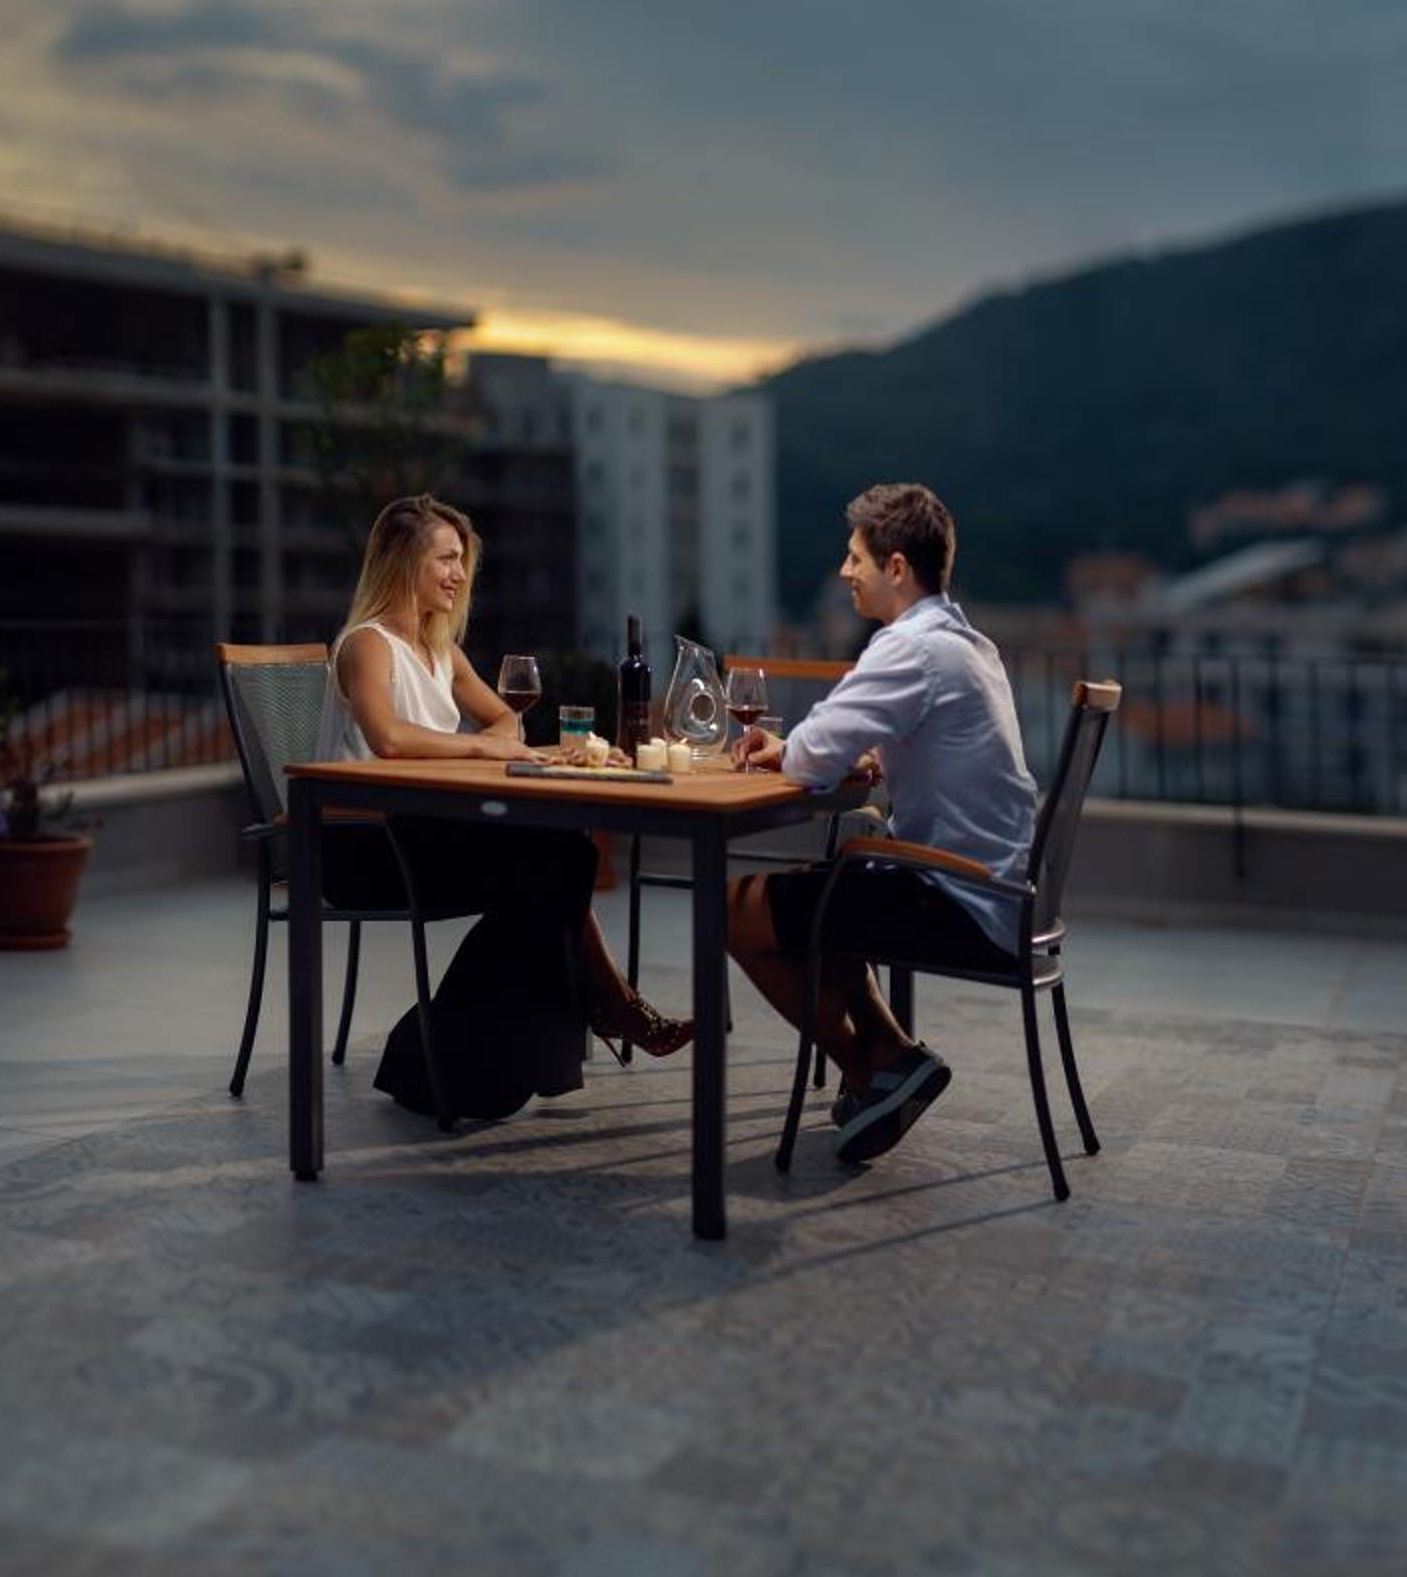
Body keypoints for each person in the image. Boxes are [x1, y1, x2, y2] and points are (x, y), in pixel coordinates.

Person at [318, 493, 692, 1120]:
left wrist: (491, 740)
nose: (458, 575)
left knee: (563, 853)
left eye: (461, 561)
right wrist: (477, 746)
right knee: (554, 861)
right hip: (364, 847)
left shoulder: (440, 650)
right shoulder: (368, 645)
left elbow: (505, 721)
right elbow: (389, 739)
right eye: (445, 559)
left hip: (421, 833)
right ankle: (606, 1007)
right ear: (403, 562)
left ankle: (449, 1050)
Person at [730, 482, 1036, 1166]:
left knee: (736, 911)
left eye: (855, 559)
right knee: (834, 884)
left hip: (960, 898)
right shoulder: (967, 644)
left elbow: (811, 759)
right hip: (997, 891)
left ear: (896, 568)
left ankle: (876, 1068)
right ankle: (891, 1056)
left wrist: (798, 750)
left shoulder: (910, 650)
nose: (844, 573)